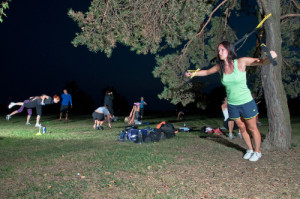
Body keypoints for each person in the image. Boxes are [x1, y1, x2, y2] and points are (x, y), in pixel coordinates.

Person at [186, 41, 277, 162]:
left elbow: (262, 62)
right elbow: (207, 72)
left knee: (252, 127)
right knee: (241, 128)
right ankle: (250, 149)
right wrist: (193, 74)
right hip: (232, 104)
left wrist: (271, 55)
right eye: (218, 50)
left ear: (229, 50)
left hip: (246, 102)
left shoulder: (241, 62)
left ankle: (258, 152)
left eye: (222, 50)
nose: (219, 52)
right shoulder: (220, 67)